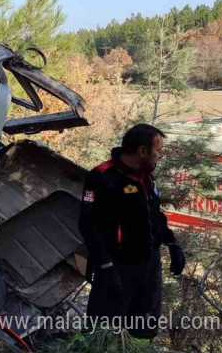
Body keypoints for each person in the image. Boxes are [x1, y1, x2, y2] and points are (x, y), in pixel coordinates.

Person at [78, 124, 186, 338]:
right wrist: (105, 266)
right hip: (116, 265)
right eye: (158, 150)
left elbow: (154, 215)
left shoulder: (146, 176)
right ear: (142, 151)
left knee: (144, 330)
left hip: (149, 264)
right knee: (103, 332)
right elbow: (87, 224)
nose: (160, 155)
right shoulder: (102, 176)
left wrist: (172, 244)